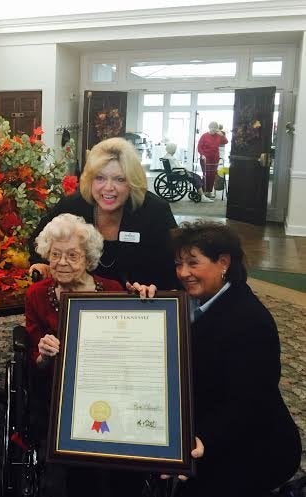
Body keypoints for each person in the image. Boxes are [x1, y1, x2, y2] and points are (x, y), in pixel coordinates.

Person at [26, 213, 155, 497]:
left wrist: (147, 304)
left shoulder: (112, 289)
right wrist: (45, 354)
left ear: (88, 258)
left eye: (72, 255)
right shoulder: (36, 294)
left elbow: (131, 343)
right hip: (59, 393)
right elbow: (35, 361)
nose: (62, 262)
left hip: (110, 386)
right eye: (55, 254)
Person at [170, 221, 301, 497]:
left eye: (193, 263)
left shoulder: (249, 321)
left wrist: (205, 438)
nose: (183, 273)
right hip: (206, 421)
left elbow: (251, 401)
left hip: (253, 440)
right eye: (179, 264)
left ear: (223, 263)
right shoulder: (194, 300)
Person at [29, 137, 178, 290]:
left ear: (132, 182)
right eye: (100, 178)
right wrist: (40, 263)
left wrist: (154, 288)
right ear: (90, 180)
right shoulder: (73, 206)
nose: (108, 187)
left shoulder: (155, 211)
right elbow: (37, 241)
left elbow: (174, 266)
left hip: (138, 302)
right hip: (82, 297)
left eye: (119, 179)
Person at [196, 121, 228, 199]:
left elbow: (226, 142)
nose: (213, 129)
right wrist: (202, 154)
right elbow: (199, 147)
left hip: (214, 158)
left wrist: (222, 135)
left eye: (215, 128)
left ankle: (209, 192)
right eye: (212, 128)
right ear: (209, 128)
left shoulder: (218, 136)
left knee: (212, 175)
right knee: (206, 175)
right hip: (205, 158)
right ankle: (203, 191)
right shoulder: (204, 136)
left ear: (217, 128)